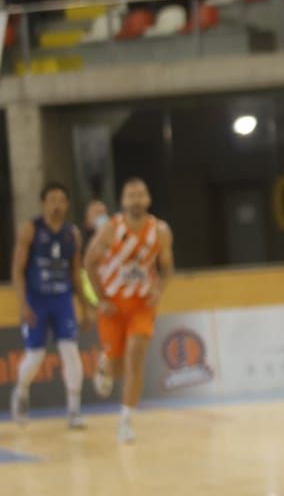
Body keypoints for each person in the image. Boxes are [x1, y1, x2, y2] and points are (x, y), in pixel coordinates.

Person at [84, 178, 174, 444]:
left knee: (136, 356)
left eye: (140, 194)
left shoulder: (160, 231)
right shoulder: (110, 230)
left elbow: (167, 268)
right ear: (123, 201)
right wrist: (101, 299)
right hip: (113, 306)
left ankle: (126, 420)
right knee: (118, 367)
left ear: (148, 199)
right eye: (130, 195)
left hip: (142, 305)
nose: (136, 199)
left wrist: (160, 289)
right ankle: (105, 367)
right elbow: (89, 263)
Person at [9, 183, 88, 428]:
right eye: (51, 200)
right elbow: (17, 270)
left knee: (71, 353)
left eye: (61, 200)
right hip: (37, 300)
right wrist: (23, 303)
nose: (56, 205)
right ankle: (21, 391)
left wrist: (85, 306)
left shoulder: (72, 234)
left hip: (62, 300)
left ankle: (74, 411)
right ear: (43, 203)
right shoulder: (31, 229)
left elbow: (76, 273)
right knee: (36, 356)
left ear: (67, 204)